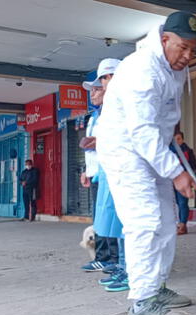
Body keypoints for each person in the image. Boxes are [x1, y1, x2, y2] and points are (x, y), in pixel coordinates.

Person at [96, 11, 196, 315]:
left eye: (193, 50)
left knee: (167, 218)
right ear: (164, 40)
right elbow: (141, 131)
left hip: (152, 148)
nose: (187, 56)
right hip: (125, 151)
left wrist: (172, 143)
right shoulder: (141, 70)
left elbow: (166, 115)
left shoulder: (174, 69)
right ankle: (142, 303)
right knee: (144, 220)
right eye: (182, 47)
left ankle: (157, 287)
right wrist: (176, 172)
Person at [79, 59, 121, 273]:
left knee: (111, 218)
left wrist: (99, 142)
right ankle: (105, 257)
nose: (94, 93)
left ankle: (114, 259)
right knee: (101, 218)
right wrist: (86, 170)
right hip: (98, 173)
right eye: (94, 88)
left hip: (114, 171)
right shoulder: (95, 116)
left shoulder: (114, 111)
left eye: (97, 89)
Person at [172, 131, 196, 235]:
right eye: (175, 139)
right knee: (177, 203)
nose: (177, 141)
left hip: (184, 180)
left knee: (183, 202)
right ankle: (180, 224)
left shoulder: (188, 151)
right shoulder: (169, 151)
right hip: (172, 180)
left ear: (182, 139)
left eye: (178, 139)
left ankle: (182, 224)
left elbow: (194, 165)